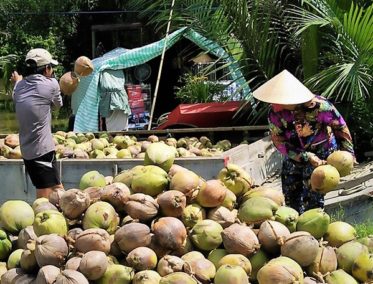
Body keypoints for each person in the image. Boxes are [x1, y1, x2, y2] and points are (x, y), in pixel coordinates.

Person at [253, 70, 355, 214]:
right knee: (290, 193)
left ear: (288, 99)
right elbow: (278, 141)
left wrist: (349, 154)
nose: (272, 103)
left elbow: (340, 127)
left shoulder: (320, 106)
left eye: (276, 100)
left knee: (313, 193)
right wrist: (305, 156)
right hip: (294, 152)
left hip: (322, 152)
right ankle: (295, 225)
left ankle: (313, 225)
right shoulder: (275, 113)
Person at [11, 48, 64, 198]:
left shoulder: (18, 88)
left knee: (57, 186)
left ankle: (70, 212)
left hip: (27, 150)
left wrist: (18, 81)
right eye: (51, 67)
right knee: (44, 195)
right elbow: (57, 105)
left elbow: (19, 87)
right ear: (47, 69)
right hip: (41, 150)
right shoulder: (52, 84)